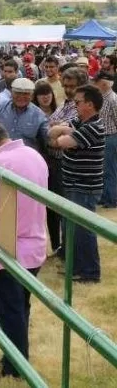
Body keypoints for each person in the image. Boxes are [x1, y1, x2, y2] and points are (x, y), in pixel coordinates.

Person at [0, 118, 48, 379]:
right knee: (21, 307)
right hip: (34, 243)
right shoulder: (33, 155)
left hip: (5, 249)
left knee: (8, 310)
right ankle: (14, 357)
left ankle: (15, 366)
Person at [49, 85, 105, 283]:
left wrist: (63, 134)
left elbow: (60, 142)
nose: (75, 105)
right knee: (72, 228)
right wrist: (64, 132)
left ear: (89, 105)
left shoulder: (93, 127)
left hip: (84, 186)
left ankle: (89, 272)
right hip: (73, 184)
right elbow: (52, 132)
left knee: (83, 230)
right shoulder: (80, 122)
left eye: (78, 102)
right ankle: (77, 267)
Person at [45, 67, 85, 258]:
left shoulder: (81, 108)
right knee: (55, 207)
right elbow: (50, 125)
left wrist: (56, 127)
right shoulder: (65, 104)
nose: (68, 89)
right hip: (54, 161)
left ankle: (70, 251)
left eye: (72, 86)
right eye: (65, 86)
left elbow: (61, 130)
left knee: (66, 208)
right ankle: (60, 247)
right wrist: (55, 127)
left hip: (67, 163)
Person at [0, 78, 49, 153]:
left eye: (26, 94)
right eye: (18, 93)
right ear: (11, 93)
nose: (21, 97)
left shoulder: (39, 115)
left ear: (32, 96)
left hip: (25, 159)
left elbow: (47, 138)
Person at [94, 71, 117, 208]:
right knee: (104, 170)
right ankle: (105, 197)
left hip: (110, 137)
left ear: (103, 84)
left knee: (110, 170)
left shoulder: (113, 99)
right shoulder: (104, 97)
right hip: (104, 137)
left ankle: (112, 199)